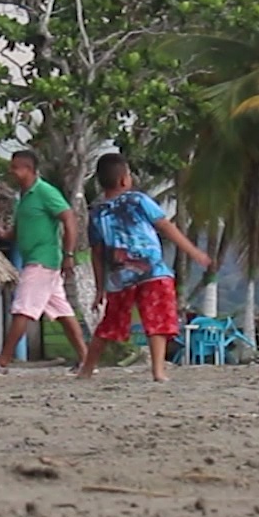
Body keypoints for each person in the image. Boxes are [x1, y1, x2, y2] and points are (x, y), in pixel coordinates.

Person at [75, 154, 211, 383]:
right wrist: (193, 251)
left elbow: (97, 254)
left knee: (108, 325)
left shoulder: (96, 213)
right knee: (157, 321)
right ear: (124, 181)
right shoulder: (138, 200)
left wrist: (101, 288)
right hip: (153, 271)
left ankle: (87, 369)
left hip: (120, 278)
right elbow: (166, 226)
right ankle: (158, 371)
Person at [0, 150, 89, 371]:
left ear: (28, 170)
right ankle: (86, 359)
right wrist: (4, 234)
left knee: (22, 308)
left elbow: (69, 218)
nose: (11, 172)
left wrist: (68, 254)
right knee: (62, 312)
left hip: (43, 260)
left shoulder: (44, 192)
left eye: (15, 168)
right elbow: (22, 228)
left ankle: (2, 361)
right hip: (39, 260)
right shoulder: (22, 197)